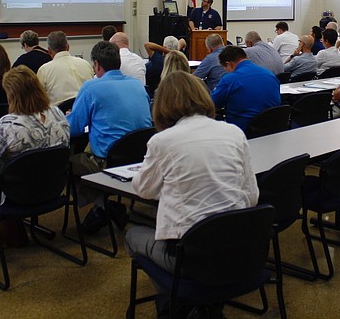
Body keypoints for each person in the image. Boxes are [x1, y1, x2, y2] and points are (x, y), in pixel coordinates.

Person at [125, 71, 258, 279]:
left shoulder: (162, 141)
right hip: (237, 245)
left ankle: (172, 303)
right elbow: (251, 197)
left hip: (189, 255)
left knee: (132, 236)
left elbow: (144, 190)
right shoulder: (234, 132)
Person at [0, 66, 70, 257]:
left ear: (11, 96)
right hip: (52, 189)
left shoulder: (8, 124)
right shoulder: (57, 114)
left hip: (16, 196)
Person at [67, 41, 152, 233]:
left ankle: (104, 206)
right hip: (140, 156)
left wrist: (67, 117)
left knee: (70, 162)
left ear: (96, 65)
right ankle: (103, 207)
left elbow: (74, 129)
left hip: (107, 161)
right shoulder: (137, 86)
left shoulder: (91, 88)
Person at [211, 46, 280, 132]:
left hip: (242, 131)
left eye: (226, 69)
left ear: (229, 64)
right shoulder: (270, 75)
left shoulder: (230, 79)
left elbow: (211, 105)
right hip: (272, 129)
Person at [36, 31, 94, 106]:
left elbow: (38, 100)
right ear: (68, 47)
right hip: (86, 112)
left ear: (49, 51)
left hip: (59, 115)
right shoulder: (85, 64)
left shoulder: (44, 70)